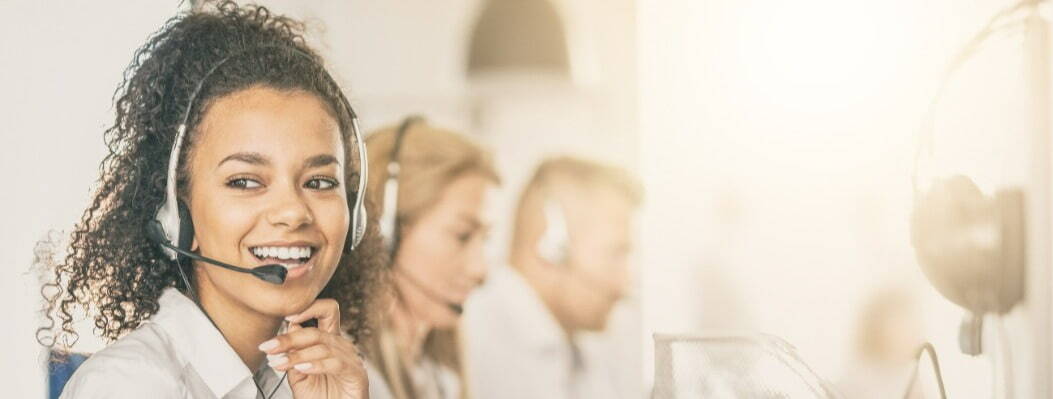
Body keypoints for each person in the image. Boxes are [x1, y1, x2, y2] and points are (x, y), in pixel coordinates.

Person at [38, 2, 391, 398]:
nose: (293, 211)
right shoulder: (129, 386)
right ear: (176, 217)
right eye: (244, 181)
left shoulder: (310, 381)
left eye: (320, 181)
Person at [463, 156, 642, 399]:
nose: (625, 284)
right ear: (552, 245)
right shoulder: (471, 340)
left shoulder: (579, 343)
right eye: (615, 254)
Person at [361, 117, 500, 399]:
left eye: (484, 239)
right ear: (384, 234)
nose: (481, 270)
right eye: (462, 236)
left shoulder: (436, 376)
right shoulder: (347, 383)